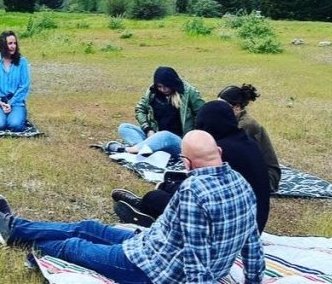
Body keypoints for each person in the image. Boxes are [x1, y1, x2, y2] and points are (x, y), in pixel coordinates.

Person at [0, 130, 265, 284]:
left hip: (151, 269)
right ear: (219, 153)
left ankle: (34, 244)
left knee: (74, 246)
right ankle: (14, 227)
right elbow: (252, 244)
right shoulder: (241, 182)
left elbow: (195, 260)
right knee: (89, 227)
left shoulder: (193, 190)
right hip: (152, 245)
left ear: (187, 163)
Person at [113, 100, 272, 233]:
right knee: (170, 186)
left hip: (230, 226)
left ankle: (144, 207)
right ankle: (149, 204)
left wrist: (167, 189)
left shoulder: (219, 151)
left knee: (155, 198)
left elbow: (198, 193)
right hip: (252, 220)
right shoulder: (246, 142)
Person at [109, 66, 205, 156]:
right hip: (154, 136)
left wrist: (193, 138)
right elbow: (140, 109)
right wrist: (148, 130)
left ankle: (131, 150)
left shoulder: (189, 93)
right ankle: (145, 150)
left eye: (166, 86)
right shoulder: (152, 93)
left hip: (179, 142)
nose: (163, 90)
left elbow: (204, 114)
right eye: (159, 86)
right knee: (124, 127)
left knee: (164, 135)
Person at [219, 84, 281, 192]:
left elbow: (238, 159)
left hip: (267, 178)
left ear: (237, 107)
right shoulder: (233, 121)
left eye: (223, 105)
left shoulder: (246, 125)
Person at [0, 30, 31, 131]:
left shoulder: (22, 62)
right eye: (10, 43)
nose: (13, 46)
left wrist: (11, 103)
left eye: (15, 43)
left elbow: (24, 86)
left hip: (16, 102)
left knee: (15, 125)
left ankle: (18, 115)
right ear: (2, 45)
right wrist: (0, 102)